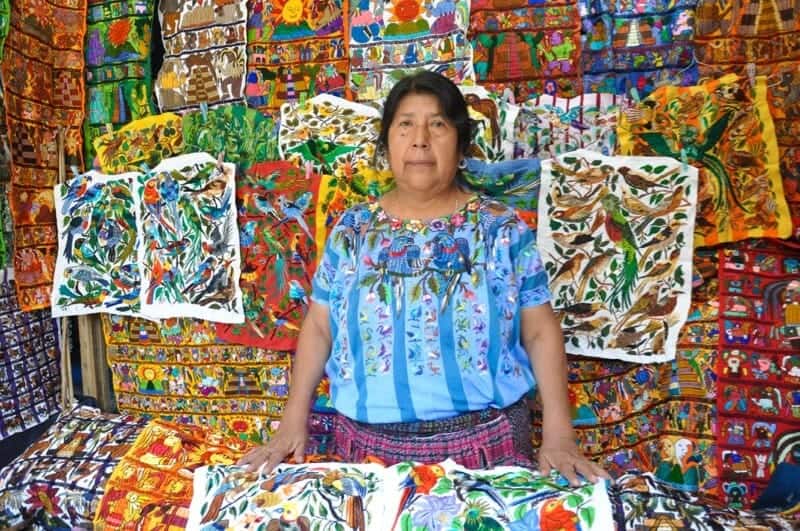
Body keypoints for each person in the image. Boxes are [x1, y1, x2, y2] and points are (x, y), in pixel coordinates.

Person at [240, 71, 609, 485]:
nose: (420, 139)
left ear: (462, 143)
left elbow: (540, 331)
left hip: (487, 449)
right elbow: (320, 327)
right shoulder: (352, 231)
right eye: (405, 125)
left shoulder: (501, 229)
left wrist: (559, 435)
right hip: (366, 456)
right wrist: (292, 421)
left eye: (437, 124)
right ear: (386, 145)